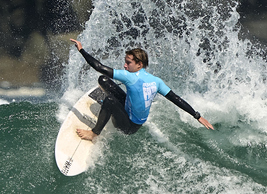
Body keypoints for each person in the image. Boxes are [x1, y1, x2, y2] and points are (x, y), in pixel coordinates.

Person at [70, 39, 214, 141]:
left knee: (109, 100)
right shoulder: (156, 81)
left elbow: (99, 67)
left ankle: (94, 133)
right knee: (103, 80)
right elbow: (176, 98)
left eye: (128, 63)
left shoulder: (129, 77)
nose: (125, 66)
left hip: (129, 126)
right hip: (130, 110)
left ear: (139, 64)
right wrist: (197, 116)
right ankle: (109, 108)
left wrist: (81, 50)